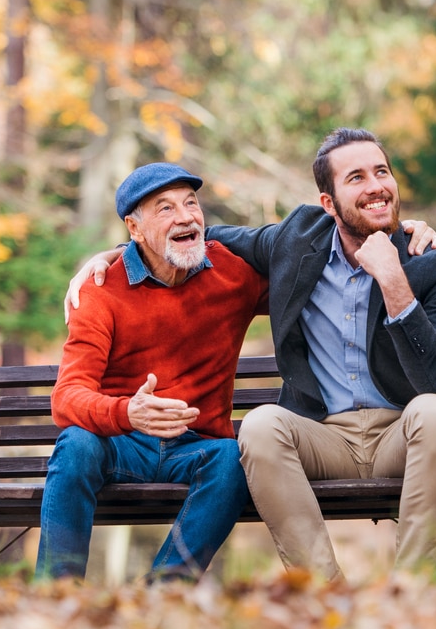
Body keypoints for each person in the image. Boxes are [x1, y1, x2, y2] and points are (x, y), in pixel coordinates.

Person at [69, 128, 436, 582]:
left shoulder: (433, 261)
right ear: (328, 204)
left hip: (406, 434)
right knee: (261, 424)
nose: (375, 186)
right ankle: (325, 592)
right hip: (324, 437)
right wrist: (116, 253)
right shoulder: (296, 241)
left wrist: (394, 281)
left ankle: (414, 590)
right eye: (356, 178)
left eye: (382, 172)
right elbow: (192, 235)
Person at [36, 162, 267, 582]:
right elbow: (67, 397)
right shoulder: (101, 290)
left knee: (234, 459)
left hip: (196, 447)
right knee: (76, 445)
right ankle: (56, 594)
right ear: (135, 229)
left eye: (191, 203)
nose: (185, 216)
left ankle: (164, 593)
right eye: (165, 208)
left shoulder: (234, 274)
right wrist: (128, 413)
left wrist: (395, 232)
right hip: (121, 444)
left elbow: (313, 271)